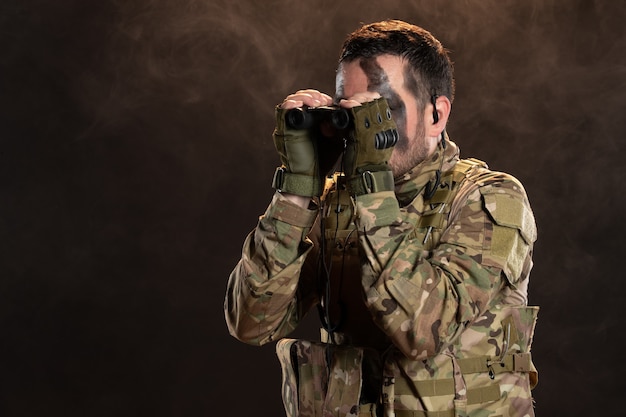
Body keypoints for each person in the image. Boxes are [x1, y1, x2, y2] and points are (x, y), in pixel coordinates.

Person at [225, 19, 539, 417]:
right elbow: (251, 323)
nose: (362, 131)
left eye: (380, 110)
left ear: (436, 115)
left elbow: (422, 332)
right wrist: (298, 189)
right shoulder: (334, 201)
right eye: (349, 113)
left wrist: (371, 187)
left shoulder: (489, 198)